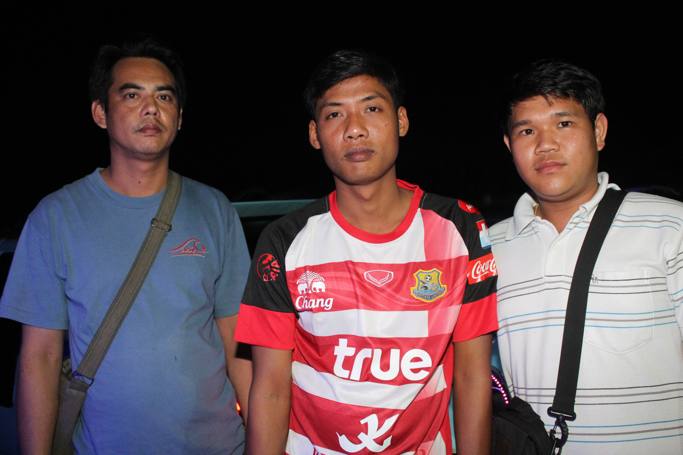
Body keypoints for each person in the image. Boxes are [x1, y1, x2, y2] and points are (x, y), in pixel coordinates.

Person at [234, 49, 498, 455]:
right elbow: (269, 388)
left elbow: (472, 376)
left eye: (372, 109)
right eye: (334, 114)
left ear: (401, 120)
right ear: (314, 134)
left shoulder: (461, 228)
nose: (354, 129)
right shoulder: (284, 241)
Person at [0, 38, 251, 454]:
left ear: (179, 117)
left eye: (164, 97)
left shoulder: (214, 209)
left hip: (219, 445)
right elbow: (39, 358)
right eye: (132, 95)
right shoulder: (55, 217)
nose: (151, 108)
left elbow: (238, 340)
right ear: (100, 113)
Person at [489, 59, 683, 454]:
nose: (545, 144)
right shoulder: (487, 247)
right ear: (509, 146)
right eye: (527, 130)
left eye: (563, 123)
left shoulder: (670, 225)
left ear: (599, 131)